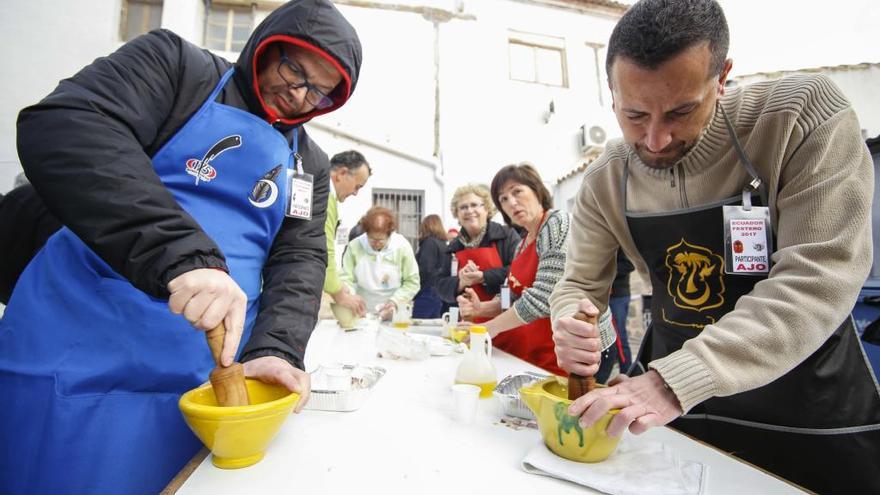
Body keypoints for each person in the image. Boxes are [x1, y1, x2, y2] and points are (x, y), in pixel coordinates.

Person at [0, 1, 362, 493]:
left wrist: (277, 348)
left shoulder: (309, 166)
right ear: (266, 45)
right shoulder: (177, 68)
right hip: (82, 342)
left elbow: (298, 259)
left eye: (319, 91)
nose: (299, 95)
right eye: (294, 69)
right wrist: (184, 256)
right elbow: (69, 123)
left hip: (206, 375)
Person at [549, 1, 880, 492]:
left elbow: (818, 277)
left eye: (681, 111)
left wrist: (672, 382)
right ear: (611, 92)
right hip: (676, 415)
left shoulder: (799, 117)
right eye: (634, 114)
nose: (656, 139)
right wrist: (569, 318)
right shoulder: (606, 177)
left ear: (722, 77)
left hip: (808, 410)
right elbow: (579, 282)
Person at [458, 163, 617, 377]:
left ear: (537, 191)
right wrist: (482, 308)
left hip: (582, 346)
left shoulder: (557, 223)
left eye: (517, 192)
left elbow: (546, 295)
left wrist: (490, 327)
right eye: (503, 199)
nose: (511, 202)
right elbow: (512, 295)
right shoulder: (521, 244)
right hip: (546, 347)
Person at [435, 184, 521, 322]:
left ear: (487, 209)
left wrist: (483, 277)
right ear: (457, 214)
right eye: (463, 207)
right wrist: (460, 282)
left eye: (475, 205)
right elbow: (440, 285)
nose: (469, 211)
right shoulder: (453, 247)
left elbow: (520, 273)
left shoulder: (507, 235)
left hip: (505, 321)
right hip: (467, 324)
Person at [341, 206, 420, 320]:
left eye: (381, 240)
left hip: (395, 311)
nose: (376, 244)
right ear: (366, 233)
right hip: (362, 311)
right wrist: (352, 300)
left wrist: (395, 301)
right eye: (372, 239)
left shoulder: (401, 247)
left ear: (389, 234)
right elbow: (346, 278)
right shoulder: (355, 246)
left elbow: (412, 282)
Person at [324, 150, 371, 318]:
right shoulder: (324, 196)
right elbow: (322, 248)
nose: (356, 193)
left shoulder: (320, 190)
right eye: (357, 186)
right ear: (342, 173)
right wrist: (339, 293)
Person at [413, 214, 449, 318]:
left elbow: (425, 269)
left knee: (418, 326)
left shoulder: (429, 243)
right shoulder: (443, 244)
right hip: (438, 291)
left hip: (426, 291)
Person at [609, 250, 635, 370]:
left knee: (620, 336)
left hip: (618, 296)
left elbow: (629, 265)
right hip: (605, 296)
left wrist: (604, 270)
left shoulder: (619, 240)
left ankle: (627, 372)